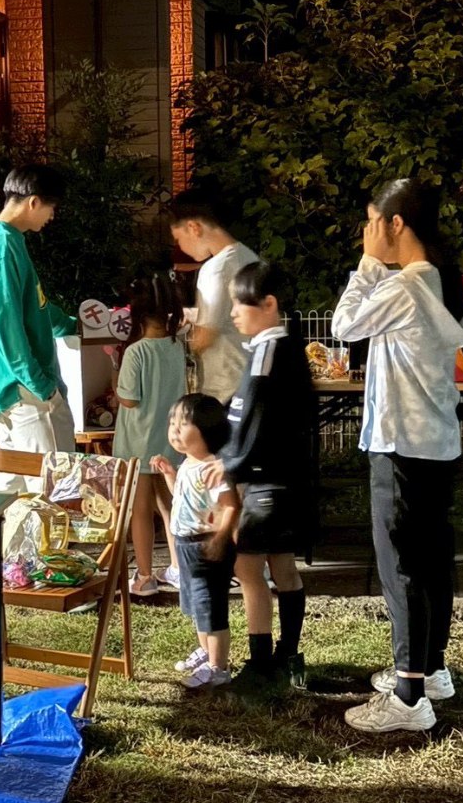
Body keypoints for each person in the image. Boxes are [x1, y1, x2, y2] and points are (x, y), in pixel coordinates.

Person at [331, 178, 463, 733]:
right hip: (435, 440)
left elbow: (344, 325)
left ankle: (410, 696)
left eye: (372, 222)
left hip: (399, 442)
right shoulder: (440, 281)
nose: (366, 233)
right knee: (431, 558)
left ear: (395, 224)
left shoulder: (407, 286)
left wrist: (367, 264)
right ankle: (431, 670)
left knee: (401, 566)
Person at [204, 261, 317, 696]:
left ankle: (260, 664)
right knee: (283, 566)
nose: (233, 313)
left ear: (268, 304)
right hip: (288, 479)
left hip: (268, 482)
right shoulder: (283, 348)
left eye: (240, 304)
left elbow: (256, 418)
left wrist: (231, 462)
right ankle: (289, 656)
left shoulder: (269, 351)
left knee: (247, 567)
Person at [0, 165, 78, 491]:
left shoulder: (4, 240)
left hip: (13, 388)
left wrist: (75, 325)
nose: (52, 216)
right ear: (34, 202)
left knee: (17, 494)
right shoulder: (2, 246)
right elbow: (4, 323)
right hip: (26, 388)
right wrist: (40, 385)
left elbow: (37, 305)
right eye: (52, 207)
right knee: (54, 490)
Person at [151, 394, 239, 689]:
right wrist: (170, 475)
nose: (174, 430)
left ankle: (219, 667)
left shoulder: (212, 469)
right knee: (195, 604)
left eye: (183, 424)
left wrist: (221, 537)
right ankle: (205, 652)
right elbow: (183, 498)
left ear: (207, 430)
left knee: (210, 607)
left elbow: (230, 505)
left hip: (205, 545)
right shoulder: (189, 464)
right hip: (185, 545)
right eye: (172, 423)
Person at [112, 273, 188, 598]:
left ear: (138, 314)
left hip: (138, 445)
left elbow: (129, 399)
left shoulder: (136, 352)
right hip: (169, 441)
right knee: (170, 505)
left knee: (140, 510)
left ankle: (144, 576)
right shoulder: (175, 346)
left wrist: (114, 378)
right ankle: (180, 570)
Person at [168, 189, 260, 405]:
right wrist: (193, 315)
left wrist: (170, 348)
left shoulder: (215, 269)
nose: (180, 247)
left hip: (225, 387)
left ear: (194, 227)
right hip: (252, 380)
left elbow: (205, 336)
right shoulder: (249, 257)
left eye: (178, 239)